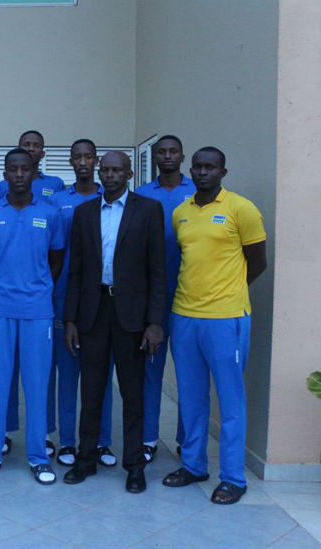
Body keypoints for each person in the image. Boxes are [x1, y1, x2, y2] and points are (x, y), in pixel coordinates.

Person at [162, 147, 267, 505]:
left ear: (224, 171)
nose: (204, 172)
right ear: (190, 171)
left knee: (231, 400)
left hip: (226, 319)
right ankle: (193, 465)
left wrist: (228, 291)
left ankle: (233, 478)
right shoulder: (181, 213)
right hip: (184, 316)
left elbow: (258, 262)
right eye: (199, 167)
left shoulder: (241, 208)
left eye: (211, 167)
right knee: (191, 398)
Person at [62, 151, 165, 494]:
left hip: (132, 315)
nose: (109, 175)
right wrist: (71, 319)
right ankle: (85, 459)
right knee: (91, 391)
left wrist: (154, 322)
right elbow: (74, 270)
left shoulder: (148, 210)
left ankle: (135, 465)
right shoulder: (84, 212)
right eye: (104, 169)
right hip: (93, 312)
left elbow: (157, 272)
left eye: (116, 169)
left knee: (132, 393)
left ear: (129, 173)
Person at [0, 148, 65, 485]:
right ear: (5, 174)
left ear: (34, 171)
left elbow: (56, 258)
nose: (19, 174)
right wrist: (6, 285)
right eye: (13, 169)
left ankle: (39, 457)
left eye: (25, 168)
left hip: (38, 311)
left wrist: (37, 286)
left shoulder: (50, 213)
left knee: (37, 386)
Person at [47, 139, 116, 468]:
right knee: (67, 374)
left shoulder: (111, 198)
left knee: (100, 375)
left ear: (97, 161)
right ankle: (67, 441)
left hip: (102, 300)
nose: (84, 162)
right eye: (78, 157)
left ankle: (103, 441)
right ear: (71, 161)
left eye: (89, 156)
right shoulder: (58, 200)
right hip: (65, 298)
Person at [134, 134, 193, 462]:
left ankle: (187, 439)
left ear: (182, 156)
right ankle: (148, 439)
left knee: (187, 372)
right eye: (162, 152)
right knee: (150, 371)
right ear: (154, 157)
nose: (167, 156)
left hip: (188, 298)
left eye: (173, 151)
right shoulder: (142, 195)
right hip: (151, 299)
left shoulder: (196, 193)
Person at [0, 130, 65, 202]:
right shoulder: (3, 186)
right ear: (18, 150)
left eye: (36, 146)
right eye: (26, 145)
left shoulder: (56, 183)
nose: (31, 149)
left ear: (42, 154)